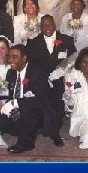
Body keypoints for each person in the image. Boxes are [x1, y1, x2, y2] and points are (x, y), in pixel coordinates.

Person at [25, 15, 76, 146]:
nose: (47, 28)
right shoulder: (33, 43)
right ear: (40, 28)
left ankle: (55, 133)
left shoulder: (67, 40)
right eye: (44, 25)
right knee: (44, 99)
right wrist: (43, 78)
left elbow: (73, 60)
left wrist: (60, 73)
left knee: (58, 100)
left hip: (61, 78)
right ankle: (47, 128)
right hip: (41, 79)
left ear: (55, 25)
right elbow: (30, 65)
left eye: (49, 25)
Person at [0, 45, 48, 154]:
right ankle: (27, 130)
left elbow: (41, 101)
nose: (10, 60)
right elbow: (10, 94)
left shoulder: (37, 73)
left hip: (35, 112)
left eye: (14, 57)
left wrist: (16, 103)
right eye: (9, 56)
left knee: (27, 112)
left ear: (24, 58)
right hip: (19, 111)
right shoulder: (11, 73)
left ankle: (26, 143)